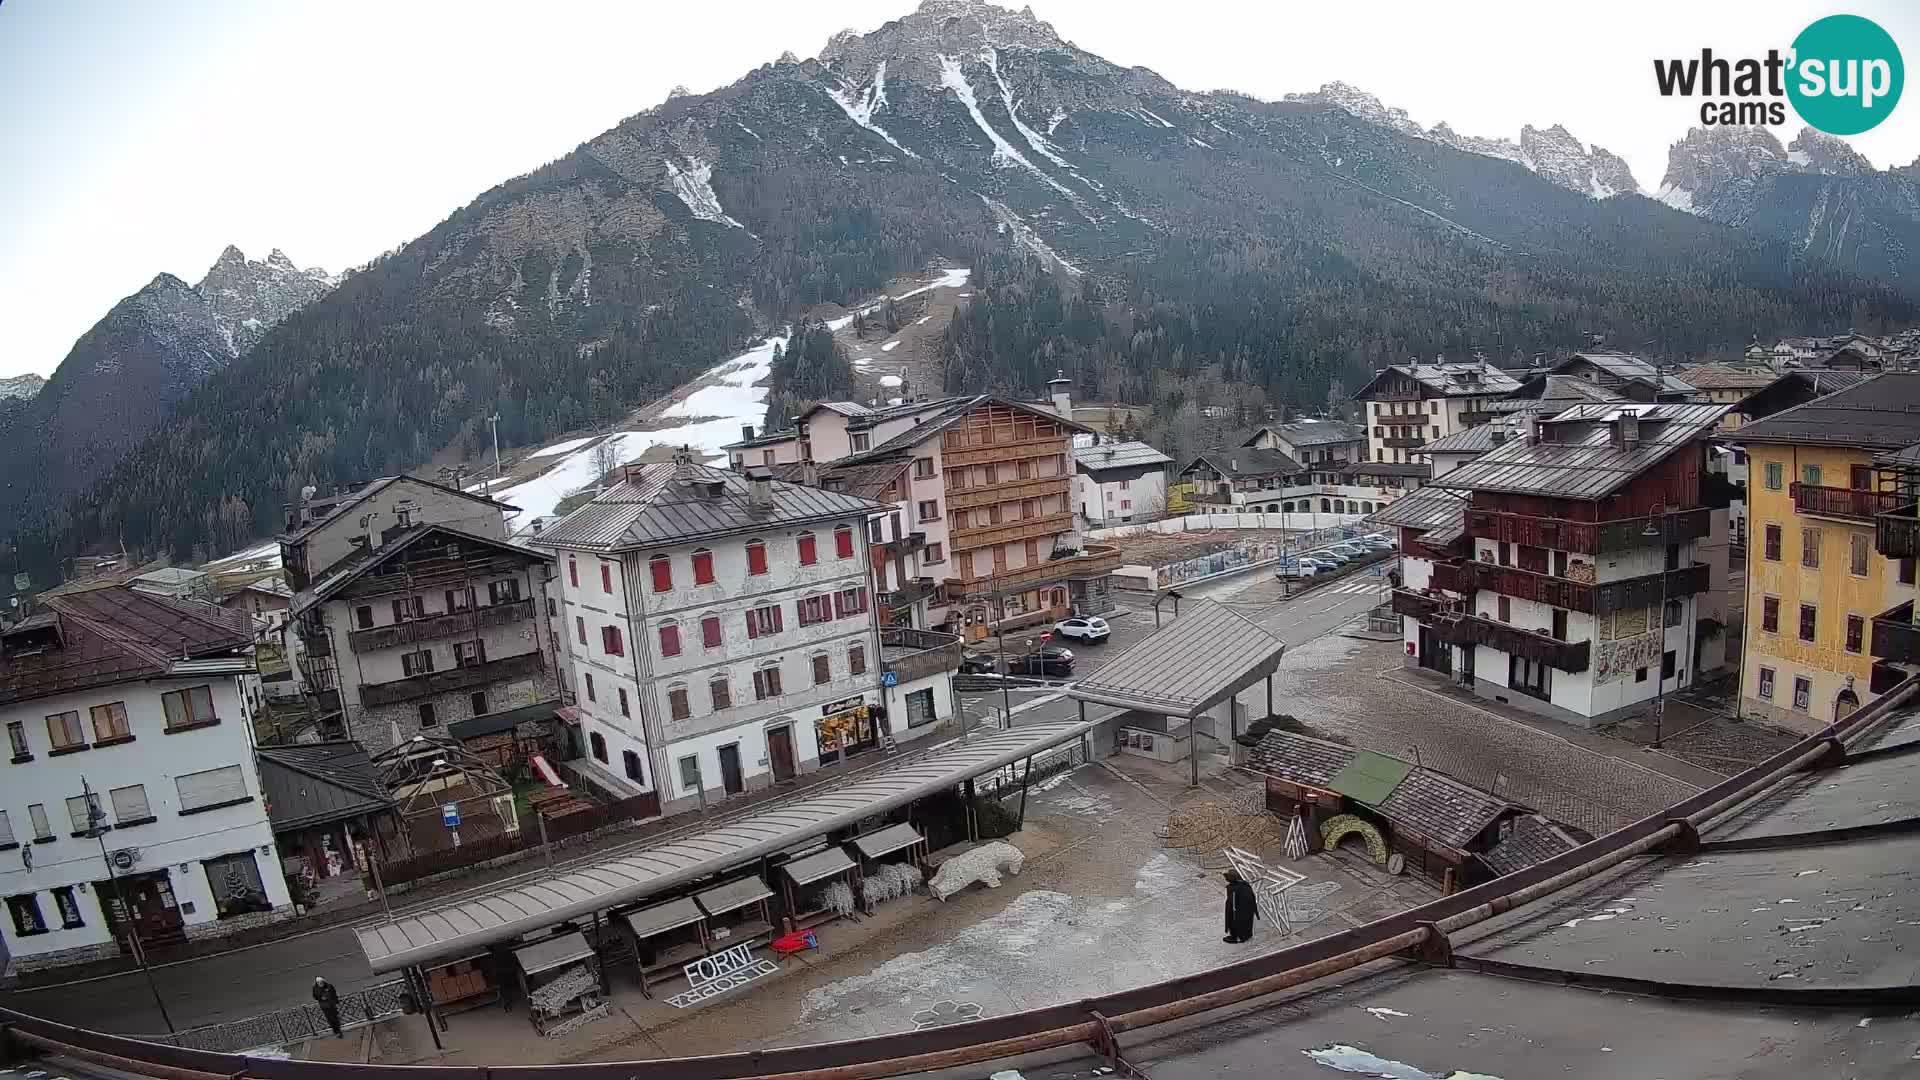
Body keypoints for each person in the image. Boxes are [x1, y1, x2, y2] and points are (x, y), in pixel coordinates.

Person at [1222, 869, 1258, 944]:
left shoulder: (1233, 888)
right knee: (1247, 921)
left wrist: (1230, 912)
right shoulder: (1245, 885)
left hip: (1239, 910)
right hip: (1248, 909)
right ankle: (1247, 935)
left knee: (1236, 921)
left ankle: (1237, 938)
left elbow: (1232, 905)